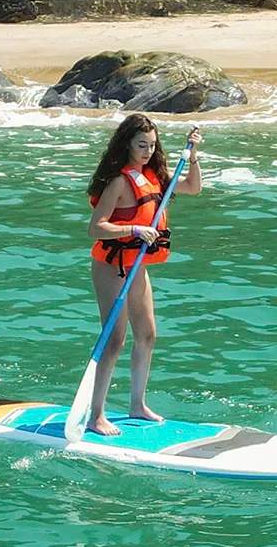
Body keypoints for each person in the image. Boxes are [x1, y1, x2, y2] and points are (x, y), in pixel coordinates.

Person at [85, 114, 203, 435]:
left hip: (136, 264)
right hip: (112, 266)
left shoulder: (155, 177)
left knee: (147, 334)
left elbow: (193, 187)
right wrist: (134, 227)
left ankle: (137, 404)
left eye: (152, 145)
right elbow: (96, 227)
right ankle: (96, 414)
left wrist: (192, 156)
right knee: (115, 340)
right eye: (141, 145)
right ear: (127, 144)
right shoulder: (119, 182)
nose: (148, 151)